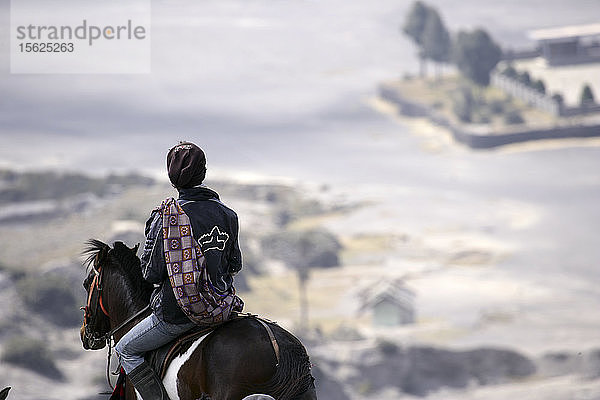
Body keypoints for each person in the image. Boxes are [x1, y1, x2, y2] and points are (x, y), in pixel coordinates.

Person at [115, 142, 244, 400]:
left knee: (125, 349)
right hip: (222, 309)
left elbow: (150, 274)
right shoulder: (228, 215)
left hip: (177, 315)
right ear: (203, 173)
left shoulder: (166, 217)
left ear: (172, 177)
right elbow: (234, 265)